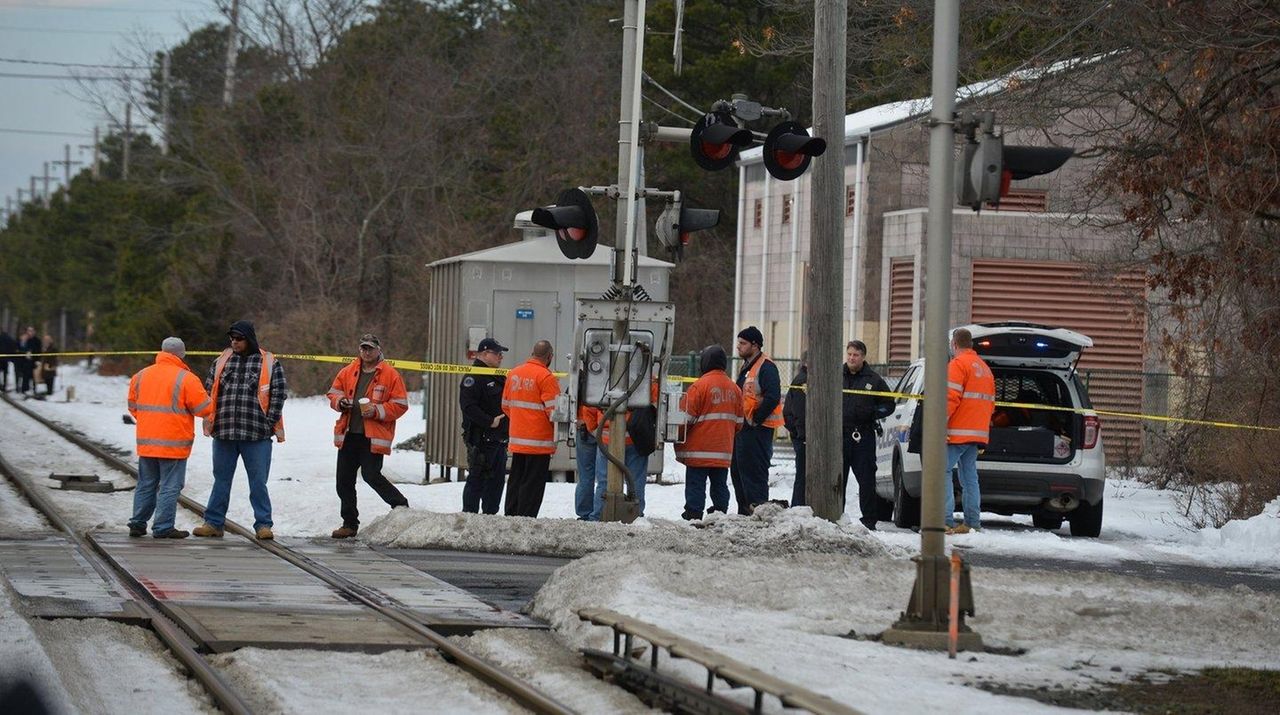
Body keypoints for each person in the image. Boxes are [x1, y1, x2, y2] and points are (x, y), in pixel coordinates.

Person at [193, 320, 287, 540]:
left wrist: (268, 422)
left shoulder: (269, 362)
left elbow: (279, 393)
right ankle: (213, 523)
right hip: (224, 433)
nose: (234, 342)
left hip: (256, 435)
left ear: (249, 339)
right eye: (232, 338)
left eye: (239, 338)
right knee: (221, 480)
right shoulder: (221, 360)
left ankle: (263, 525)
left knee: (258, 483)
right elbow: (209, 390)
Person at [126, 337, 214, 539]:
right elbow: (203, 409)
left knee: (146, 483)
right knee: (170, 486)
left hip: (147, 441)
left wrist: (150, 422)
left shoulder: (141, 375)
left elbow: (133, 406)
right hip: (174, 443)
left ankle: (137, 523)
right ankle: (163, 527)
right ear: (181, 354)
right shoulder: (186, 378)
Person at [326, 333, 411, 538]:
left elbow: (400, 405)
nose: (366, 352)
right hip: (349, 434)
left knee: (371, 475)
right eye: (363, 348)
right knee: (343, 481)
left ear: (378, 350)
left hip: (372, 436)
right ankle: (349, 524)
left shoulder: (390, 374)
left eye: (370, 348)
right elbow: (333, 393)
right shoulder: (348, 371)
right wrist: (340, 402)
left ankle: (401, 505)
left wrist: (377, 410)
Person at [678, 345, 743, 520]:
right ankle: (719, 513)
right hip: (723, 450)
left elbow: (685, 419)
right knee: (720, 484)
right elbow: (739, 423)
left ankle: (693, 513)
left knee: (696, 484)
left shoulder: (699, 387)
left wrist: (678, 437)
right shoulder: (735, 389)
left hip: (698, 450)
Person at [943, 328, 997, 535]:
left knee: (942, 472)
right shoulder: (984, 368)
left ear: (954, 344)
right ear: (971, 344)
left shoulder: (958, 364)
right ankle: (972, 522)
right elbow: (991, 404)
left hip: (956, 432)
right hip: (977, 433)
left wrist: (940, 425)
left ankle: (944, 521)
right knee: (969, 478)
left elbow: (950, 398)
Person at [501, 340, 559, 517]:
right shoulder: (546, 377)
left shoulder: (514, 373)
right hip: (539, 443)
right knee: (533, 485)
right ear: (549, 356)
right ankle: (526, 519)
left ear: (532, 353)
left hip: (518, 440)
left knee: (516, 480)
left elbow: (505, 405)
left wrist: (521, 421)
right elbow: (554, 413)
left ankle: (511, 516)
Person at [841, 340, 895, 529]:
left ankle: (869, 520)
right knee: (837, 479)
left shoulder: (874, 380)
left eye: (855, 355)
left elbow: (889, 404)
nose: (851, 358)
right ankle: (836, 516)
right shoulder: (837, 375)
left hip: (863, 436)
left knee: (866, 480)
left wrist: (873, 413)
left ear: (863, 357)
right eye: (849, 354)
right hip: (840, 435)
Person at [730, 326, 783, 514]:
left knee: (754, 474)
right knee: (739, 473)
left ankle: (758, 512)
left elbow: (772, 397)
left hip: (757, 431)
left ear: (755, 345)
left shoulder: (766, 367)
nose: (738, 346)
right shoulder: (747, 366)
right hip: (744, 430)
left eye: (743, 343)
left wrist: (756, 419)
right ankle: (744, 512)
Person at [459, 337, 509, 515]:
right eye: (498, 353)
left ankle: (490, 517)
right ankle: (469, 516)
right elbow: (468, 406)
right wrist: (490, 421)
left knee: (496, 481)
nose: (501, 357)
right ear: (485, 354)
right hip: (481, 438)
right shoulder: (474, 377)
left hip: (499, 439)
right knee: (477, 478)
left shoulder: (497, 375)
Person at [783, 351, 808, 507]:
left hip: (801, 434)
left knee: (803, 475)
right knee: (803, 476)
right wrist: (802, 435)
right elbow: (800, 412)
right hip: (804, 436)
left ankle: (800, 506)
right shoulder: (803, 382)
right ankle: (799, 506)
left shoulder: (803, 379)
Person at [574, 400, 600, 520]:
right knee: (605, 477)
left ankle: (584, 513)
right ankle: (600, 512)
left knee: (585, 475)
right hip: (606, 427)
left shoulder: (583, 386)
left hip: (584, 426)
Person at [16, 326, 38, 396]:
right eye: (29, 331)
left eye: (31, 331)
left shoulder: (37, 340)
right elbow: (19, 349)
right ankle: (24, 389)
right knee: (25, 376)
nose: (30, 332)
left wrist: (37, 359)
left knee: (34, 376)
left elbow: (38, 350)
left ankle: (34, 389)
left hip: (33, 361)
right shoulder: (24, 339)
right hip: (24, 362)